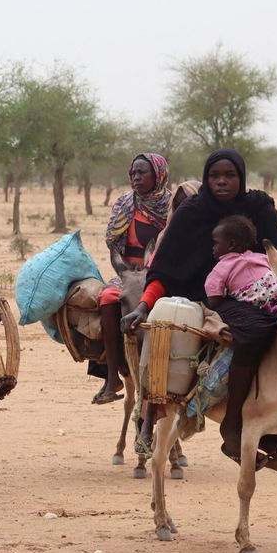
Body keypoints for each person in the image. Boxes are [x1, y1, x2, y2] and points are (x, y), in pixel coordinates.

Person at [122, 148, 277, 475]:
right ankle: (231, 428)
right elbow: (165, 270)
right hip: (208, 299)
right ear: (206, 178)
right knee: (252, 334)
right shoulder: (191, 214)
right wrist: (144, 305)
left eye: (230, 176)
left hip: (264, 292)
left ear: (241, 177)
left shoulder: (259, 207)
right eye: (215, 176)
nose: (222, 182)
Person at [92, 153, 171, 404]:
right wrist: (127, 274)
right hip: (127, 272)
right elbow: (115, 245)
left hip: (163, 273)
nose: (136, 178)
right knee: (107, 297)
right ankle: (112, 375)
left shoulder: (172, 206)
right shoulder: (125, 203)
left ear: (158, 175)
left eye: (142, 173)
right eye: (133, 173)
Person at [205, 215, 277, 315]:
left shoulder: (220, 269)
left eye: (215, 243)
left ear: (231, 244)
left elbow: (214, 301)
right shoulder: (262, 258)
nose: (213, 247)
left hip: (254, 311)